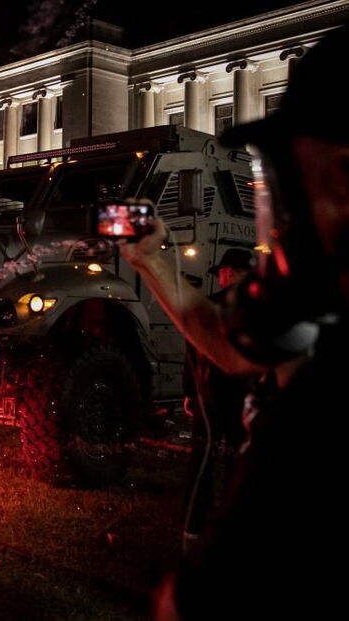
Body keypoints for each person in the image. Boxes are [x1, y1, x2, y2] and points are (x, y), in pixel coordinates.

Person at [119, 25, 349, 620]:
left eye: (290, 175)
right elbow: (232, 344)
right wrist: (155, 264)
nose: (277, 211)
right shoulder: (313, 300)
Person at [180, 249, 253, 552]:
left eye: (225, 271)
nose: (222, 276)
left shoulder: (218, 307)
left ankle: (200, 522)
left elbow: (192, 349)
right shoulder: (253, 310)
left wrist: (190, 390)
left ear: (236, 273)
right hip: (229, 393)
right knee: (232, 456)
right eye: (221, 272)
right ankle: (224, 516)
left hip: (218, 394)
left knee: (209, 457)